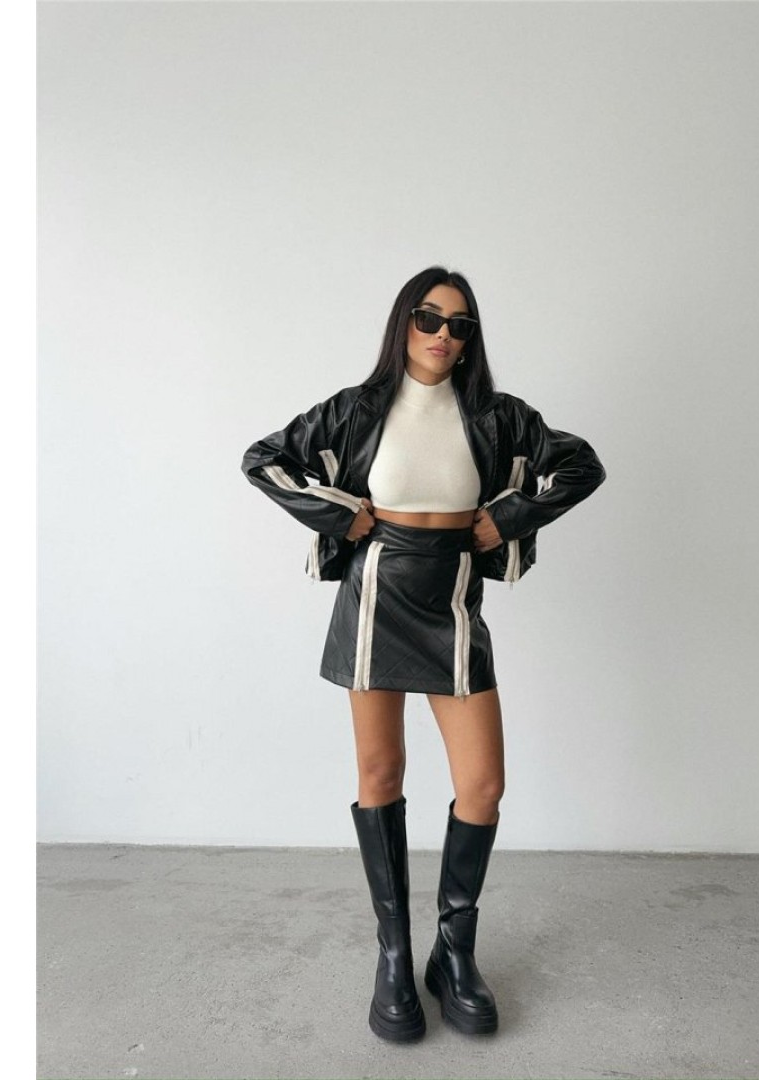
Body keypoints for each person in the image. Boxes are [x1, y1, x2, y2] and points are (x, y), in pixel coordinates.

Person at [241, 266, 606, 1041]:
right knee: (381, 776)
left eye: (459, 324)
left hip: (453, 603)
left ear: (471, 339)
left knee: (483, 785)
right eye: (429, 317)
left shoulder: (499, 417)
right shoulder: (356, 409)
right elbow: (264, 458)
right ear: (403, 322)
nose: (443, 334)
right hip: (376, 598)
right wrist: (338, 514)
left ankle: (453, 954)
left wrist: (510, 517)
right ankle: (394, 956)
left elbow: (582, 465)